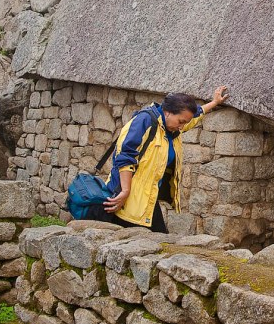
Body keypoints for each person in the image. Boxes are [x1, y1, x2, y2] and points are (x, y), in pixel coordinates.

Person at [85, 86, 229, 232]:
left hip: (147, 198)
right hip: (127, 200)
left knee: (158, 242)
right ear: (167, 112)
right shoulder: (144, 122)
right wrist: (125, 191)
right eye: (181, 121)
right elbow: (125, 157)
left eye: (184, 123)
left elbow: (194, 115)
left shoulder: (171, 127)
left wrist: (214, 102)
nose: (182, 126)